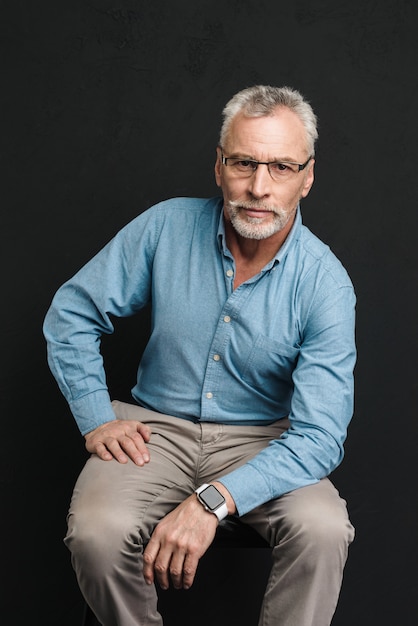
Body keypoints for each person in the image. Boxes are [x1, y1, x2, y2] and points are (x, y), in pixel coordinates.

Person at [43, 84, 356, 626]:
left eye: (281, 167)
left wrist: (213, 499)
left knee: (324, 529)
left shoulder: (325, 284)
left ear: (307, 177)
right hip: (152, 432)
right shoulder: (165, 226)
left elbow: (322, 436)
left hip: (265, 443)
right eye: (244, 163)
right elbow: (72, 312)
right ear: (218, 166)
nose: (259, 187)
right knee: (96, 531)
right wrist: (96, 414)